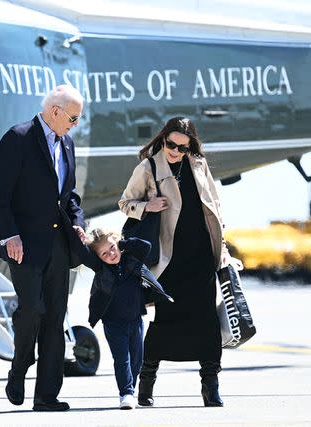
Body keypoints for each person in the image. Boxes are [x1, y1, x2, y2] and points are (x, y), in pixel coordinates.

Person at [119, 116, 230, 407]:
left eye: (183, 147)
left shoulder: (198, 164)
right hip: (169, 260)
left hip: (202, 257)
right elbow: (125, 203)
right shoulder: (149, 167)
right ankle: (146, 382)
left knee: (207, 323)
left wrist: (223, 250)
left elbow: (215, 209)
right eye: (171, 145)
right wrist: (147, 206)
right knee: (165, 322)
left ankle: (210, 385)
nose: (176, 151)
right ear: (163, 138)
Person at [0, 85, 86, 412]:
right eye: (73, 117)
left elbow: (69, 196)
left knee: (55, 319)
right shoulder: (18, 138)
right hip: (25, 246)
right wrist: (8, 235)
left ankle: (47, 395)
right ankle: (19, 368)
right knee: (31, 313)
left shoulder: (67, 143)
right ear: (55, 111)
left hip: (58, 246)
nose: (75, 124)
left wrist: (79, 222)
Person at [80, 229, 172, 410]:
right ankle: (126, 393)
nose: (110, 254)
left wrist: (121, 244)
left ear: (118, 244)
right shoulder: (101, 268)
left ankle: (130, 388)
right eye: (104, 254)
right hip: (113, 323)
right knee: (122, 359)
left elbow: (146, 246)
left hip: (136, 319)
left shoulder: (132, 260)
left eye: (112, 248)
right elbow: (84, 255)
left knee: (137, 359)